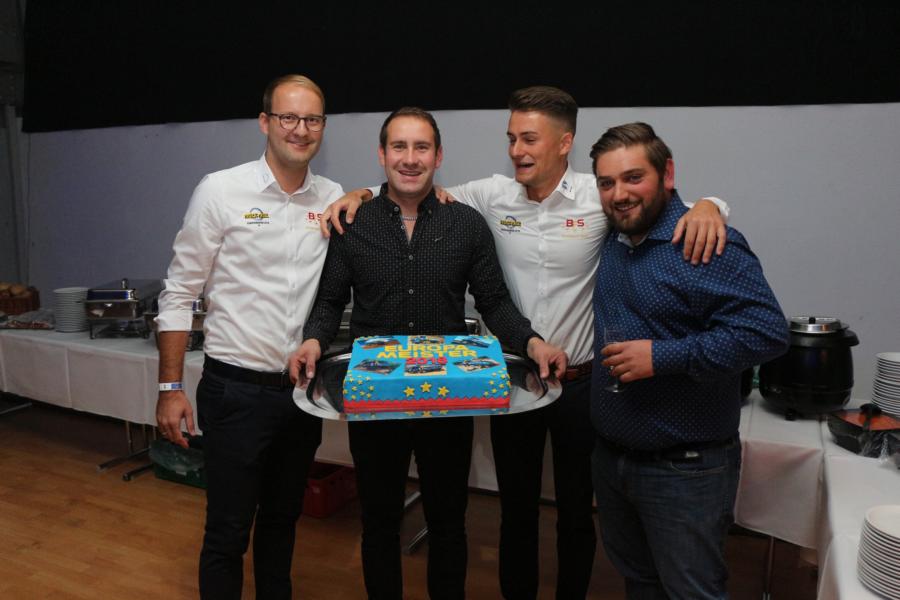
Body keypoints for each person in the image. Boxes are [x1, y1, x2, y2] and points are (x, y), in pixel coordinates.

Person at [320, 86, 729, 599]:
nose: (517, 150)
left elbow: (663, 206)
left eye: (529, 139)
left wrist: (711, 205)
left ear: (564, 143)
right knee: (515, 510)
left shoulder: (601, 194)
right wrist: (358, 194)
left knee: (576, 512)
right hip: (515, 376)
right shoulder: (490, 196)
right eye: (511, 138)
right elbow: (408, 185)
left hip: (581, 382)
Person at [289, 106, 567, 600]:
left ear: (438, 157)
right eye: (399, 147)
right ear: (382, 155)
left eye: (421, 148)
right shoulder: (354, 222)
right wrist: (313, 338)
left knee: (448, 524)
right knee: (378, 524)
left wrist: (531, 342)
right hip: (376, 401)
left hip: (447, 402)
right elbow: (330, 301)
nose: (410, 158)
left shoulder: (466, 224)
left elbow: (494, 301)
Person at [154, 74, 345, 600]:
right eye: (288, 117)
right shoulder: (220, 190)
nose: (300, 129)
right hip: (234, 393)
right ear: (265, 122)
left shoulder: (332, 197)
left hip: (300, 394)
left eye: (312, 119)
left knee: (283, 524)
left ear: (323, 127)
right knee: (227, 532)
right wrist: (170, 388)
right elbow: (178, 294)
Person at [589, 122, 789, 599]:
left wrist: (662, 357)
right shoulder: (613, 239)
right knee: (640, 582)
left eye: (633, 177)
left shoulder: (706, 243)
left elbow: (767, 333)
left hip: (685, 468)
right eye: (607, 183)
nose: (619, 194)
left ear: (668, 174)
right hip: (613, 459)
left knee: (692, 592)